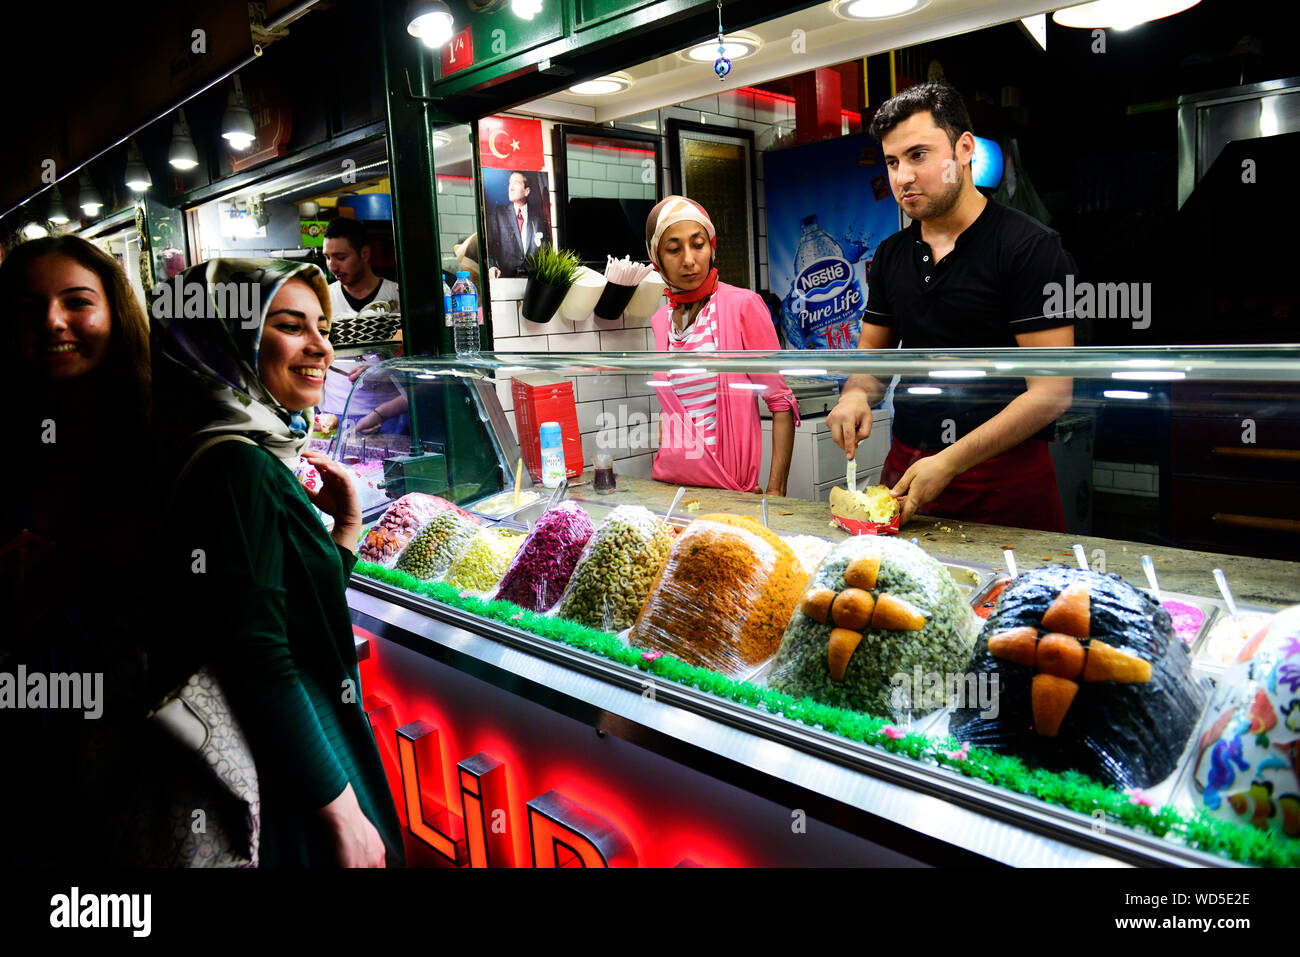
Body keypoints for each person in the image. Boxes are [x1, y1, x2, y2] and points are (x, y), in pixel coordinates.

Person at [151, 259, 404, 867]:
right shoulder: (238, 465)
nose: (321, 345)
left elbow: (286, 608)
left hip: (302, 755)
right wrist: (342, 813)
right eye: (291, 326)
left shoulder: (241, 446)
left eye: (323, 325)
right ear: (224, 337)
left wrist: (342, 535)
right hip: (294, 780)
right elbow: (259, 655)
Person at [825, 82, 1075, 531]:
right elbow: (871, 366)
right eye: (893, 162)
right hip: (907, 473)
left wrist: (951, 461)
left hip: (1004, 480)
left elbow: (1052, 392)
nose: (902, 177)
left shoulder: (1030, 248)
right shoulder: (890, 255)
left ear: (963, 149)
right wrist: (855, 395)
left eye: (918, 156)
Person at [0, 235, 153, 866]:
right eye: (30, 307)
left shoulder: (162, 422)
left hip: (151, 729)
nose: (53, 322)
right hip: (37, 733)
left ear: (115, 310)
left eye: (77, 301)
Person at [645, 196, 798, 495]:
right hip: (672, 487)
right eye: (674, 249)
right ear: (657, 258)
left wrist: (776, 492)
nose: (689, 260)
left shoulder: (742, 305)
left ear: (712, 246)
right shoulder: (660, 321)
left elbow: (781, 403)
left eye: (698, 244)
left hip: (730, 489)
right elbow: (672, 410)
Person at [322, 218, 400, 319]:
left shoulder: (397, 295)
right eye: (327, 257)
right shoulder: (322, 300)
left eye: (341, 258)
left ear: (365, 254)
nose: (332, 267)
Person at [486, 171, 550, 279]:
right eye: (510, 183)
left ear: (527, 191)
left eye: (516, 183)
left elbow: (546, 251)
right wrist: (491, 267)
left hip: (533, 282)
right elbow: (489, 248)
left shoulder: (538, 218)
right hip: (505, 280)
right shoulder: (498, 214)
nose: (510, 188)